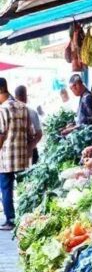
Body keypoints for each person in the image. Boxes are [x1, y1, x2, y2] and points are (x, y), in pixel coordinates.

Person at [0, 78, 34, 230]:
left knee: (6, 188)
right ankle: (26, 217)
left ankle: (11, 220)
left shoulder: (2, 109)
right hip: (22, 156)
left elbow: (1, 135)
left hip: (6, 158)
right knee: (24, 188)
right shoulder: (23, 107)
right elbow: (30, 133)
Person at [14, 85, 42, 164]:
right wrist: (30, 147)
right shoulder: (31, 112)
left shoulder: (31, 112)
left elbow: (39, 134)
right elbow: (39, 134)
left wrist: (30, 147)